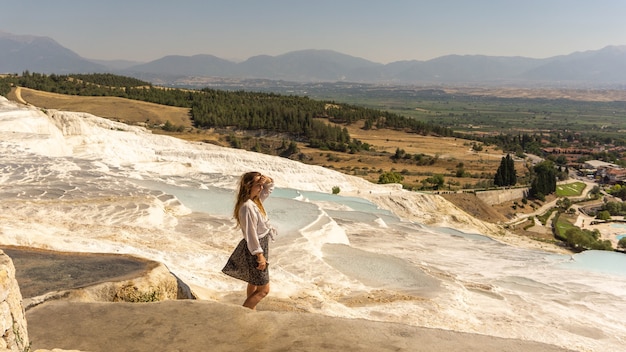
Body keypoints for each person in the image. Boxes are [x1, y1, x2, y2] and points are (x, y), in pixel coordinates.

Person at [222, 171, 277, 309]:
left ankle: (250, 309)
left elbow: (270, 187)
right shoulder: (247, 207)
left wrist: (266, 179)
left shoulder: (256, 201)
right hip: (256, 247)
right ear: (249, 186)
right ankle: (243, 313)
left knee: (253, 282)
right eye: (258, 185)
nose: (261, 187)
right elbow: (250, 234)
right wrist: (259, 255)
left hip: (260, 244)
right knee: (264, 290)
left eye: (261, 184)